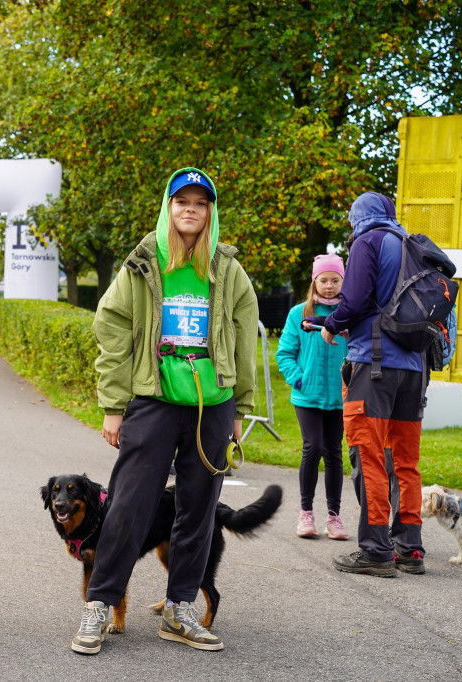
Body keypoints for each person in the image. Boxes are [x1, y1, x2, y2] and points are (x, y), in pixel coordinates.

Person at [77, 168, 257, 654]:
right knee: (127, 507)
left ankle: (180, 609)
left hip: (210, 406)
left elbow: (244, 341)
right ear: (169, 207)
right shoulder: (142, 264)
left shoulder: (228, 269)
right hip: (152, 400)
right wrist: (114, 405)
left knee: (197, 511)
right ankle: (99, 605)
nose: (190, 210)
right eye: (182, 202)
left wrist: (239, 407)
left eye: (201, 203)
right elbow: (111, 329)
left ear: (210, 211)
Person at [320, 192, 427, 578]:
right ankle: (410, 548)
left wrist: (331, 324)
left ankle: (376, 550)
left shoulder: (368, 241)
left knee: (369, 456)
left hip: (375, 364)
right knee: (406, 462)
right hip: (415, 367)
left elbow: (354, 301)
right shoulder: (410, 244)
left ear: (357, 218)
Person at [276, 254, 349, 540]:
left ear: (343, 281)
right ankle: (306, 512)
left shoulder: (350, 313)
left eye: (335, 280)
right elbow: (285, 353)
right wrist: (298, 378)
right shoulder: (299, 313)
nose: (329, 286)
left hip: (340, 396)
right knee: (313, 447)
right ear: (314, 281)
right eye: (324, 280)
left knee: (334, 452)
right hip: (307, 395)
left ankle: (334, 516)